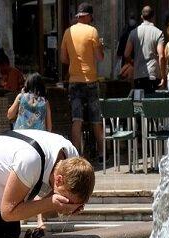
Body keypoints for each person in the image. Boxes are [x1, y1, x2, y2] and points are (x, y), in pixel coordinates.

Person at [0, 129, 95, 238]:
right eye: (67, 200)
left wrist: (65, 207)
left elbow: (40, 207)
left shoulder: (71, 160)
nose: (66, 203)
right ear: (59, 180)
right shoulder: (30, 161)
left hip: (8, 198)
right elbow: (8, 212)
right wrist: (50, 203)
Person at [60, 2, 105, 161]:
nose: (92, 19)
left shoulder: (68, 32)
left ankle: (76, 156)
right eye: (91, 16)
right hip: (91, 81)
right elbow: (100, 57)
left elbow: (63, 59)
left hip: (74, 81)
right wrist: (100, 47)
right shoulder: (92, 31)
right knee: (95, 119)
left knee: (76, 119)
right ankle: (101, 154)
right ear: (87, 16)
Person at [124, 6, 166, 94]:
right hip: (153, 74)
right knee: (153, 105)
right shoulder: (158, 33)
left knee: (140, 105)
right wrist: (163, 76)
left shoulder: (133, 33)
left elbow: (126, 54)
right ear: (153, 17)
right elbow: (161, 56)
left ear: (141, 17)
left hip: (138, 75)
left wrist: (133, 63)